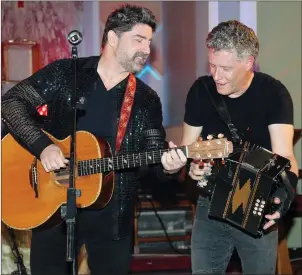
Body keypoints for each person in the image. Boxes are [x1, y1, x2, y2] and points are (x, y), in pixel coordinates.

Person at [1, 4, 187, 275]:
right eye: (139, 40)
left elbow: (154, 155)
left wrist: (170, 168)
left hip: (112, 218)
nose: (146, 49)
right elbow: (10, 103)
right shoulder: (67, 74)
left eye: (149, 42)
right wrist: (43, 147)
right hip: (54, 211)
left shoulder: (146, 99)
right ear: (113, 38)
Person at [181, 20, 299, 274]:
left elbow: (285, 154)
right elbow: (188, 148)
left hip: (256, 203)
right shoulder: (201, 91)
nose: (216, 75)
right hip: (210, 203)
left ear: (248, 62)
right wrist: (191, 168)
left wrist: (284, 197)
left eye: (225, 68)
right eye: (212, 65)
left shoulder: (274, 94)